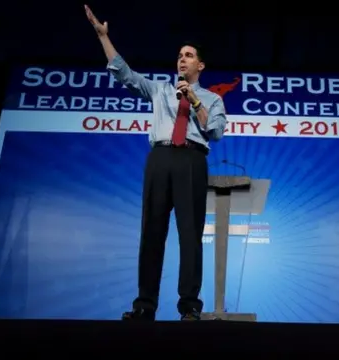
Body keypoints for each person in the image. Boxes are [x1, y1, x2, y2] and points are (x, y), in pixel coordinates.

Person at [85, 5, 227, 321]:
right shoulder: (160, 89)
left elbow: (214, 131)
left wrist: (193, 99)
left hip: (192, 158)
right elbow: (124, 73)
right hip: (160, 157)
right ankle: (145, 305)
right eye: (179, 54)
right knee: (152, 232)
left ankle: (189, 305)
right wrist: (104, 38)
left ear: (200, 65)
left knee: (190, 234)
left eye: (188, 55)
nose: (182, 59)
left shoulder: (213, 99)